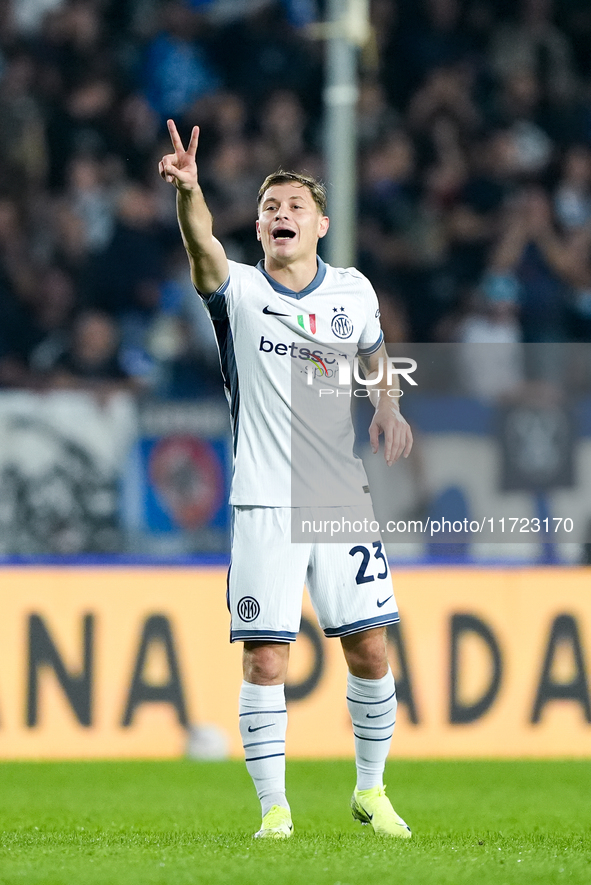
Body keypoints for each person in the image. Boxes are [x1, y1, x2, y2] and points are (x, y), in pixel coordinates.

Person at [159, 119, 414, 839]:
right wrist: (190, 191)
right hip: (264, 499)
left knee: (368, 646)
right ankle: (274, 809)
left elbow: (374, 350)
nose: (279, 215)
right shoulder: (237, 292)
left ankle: (371, 791)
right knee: (266, 655)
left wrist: (387, 404)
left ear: (321, 224)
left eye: (293, 206)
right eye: (270, 207)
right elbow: (200, 242)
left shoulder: (354, 291)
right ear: (260, 225)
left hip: (340, 498)